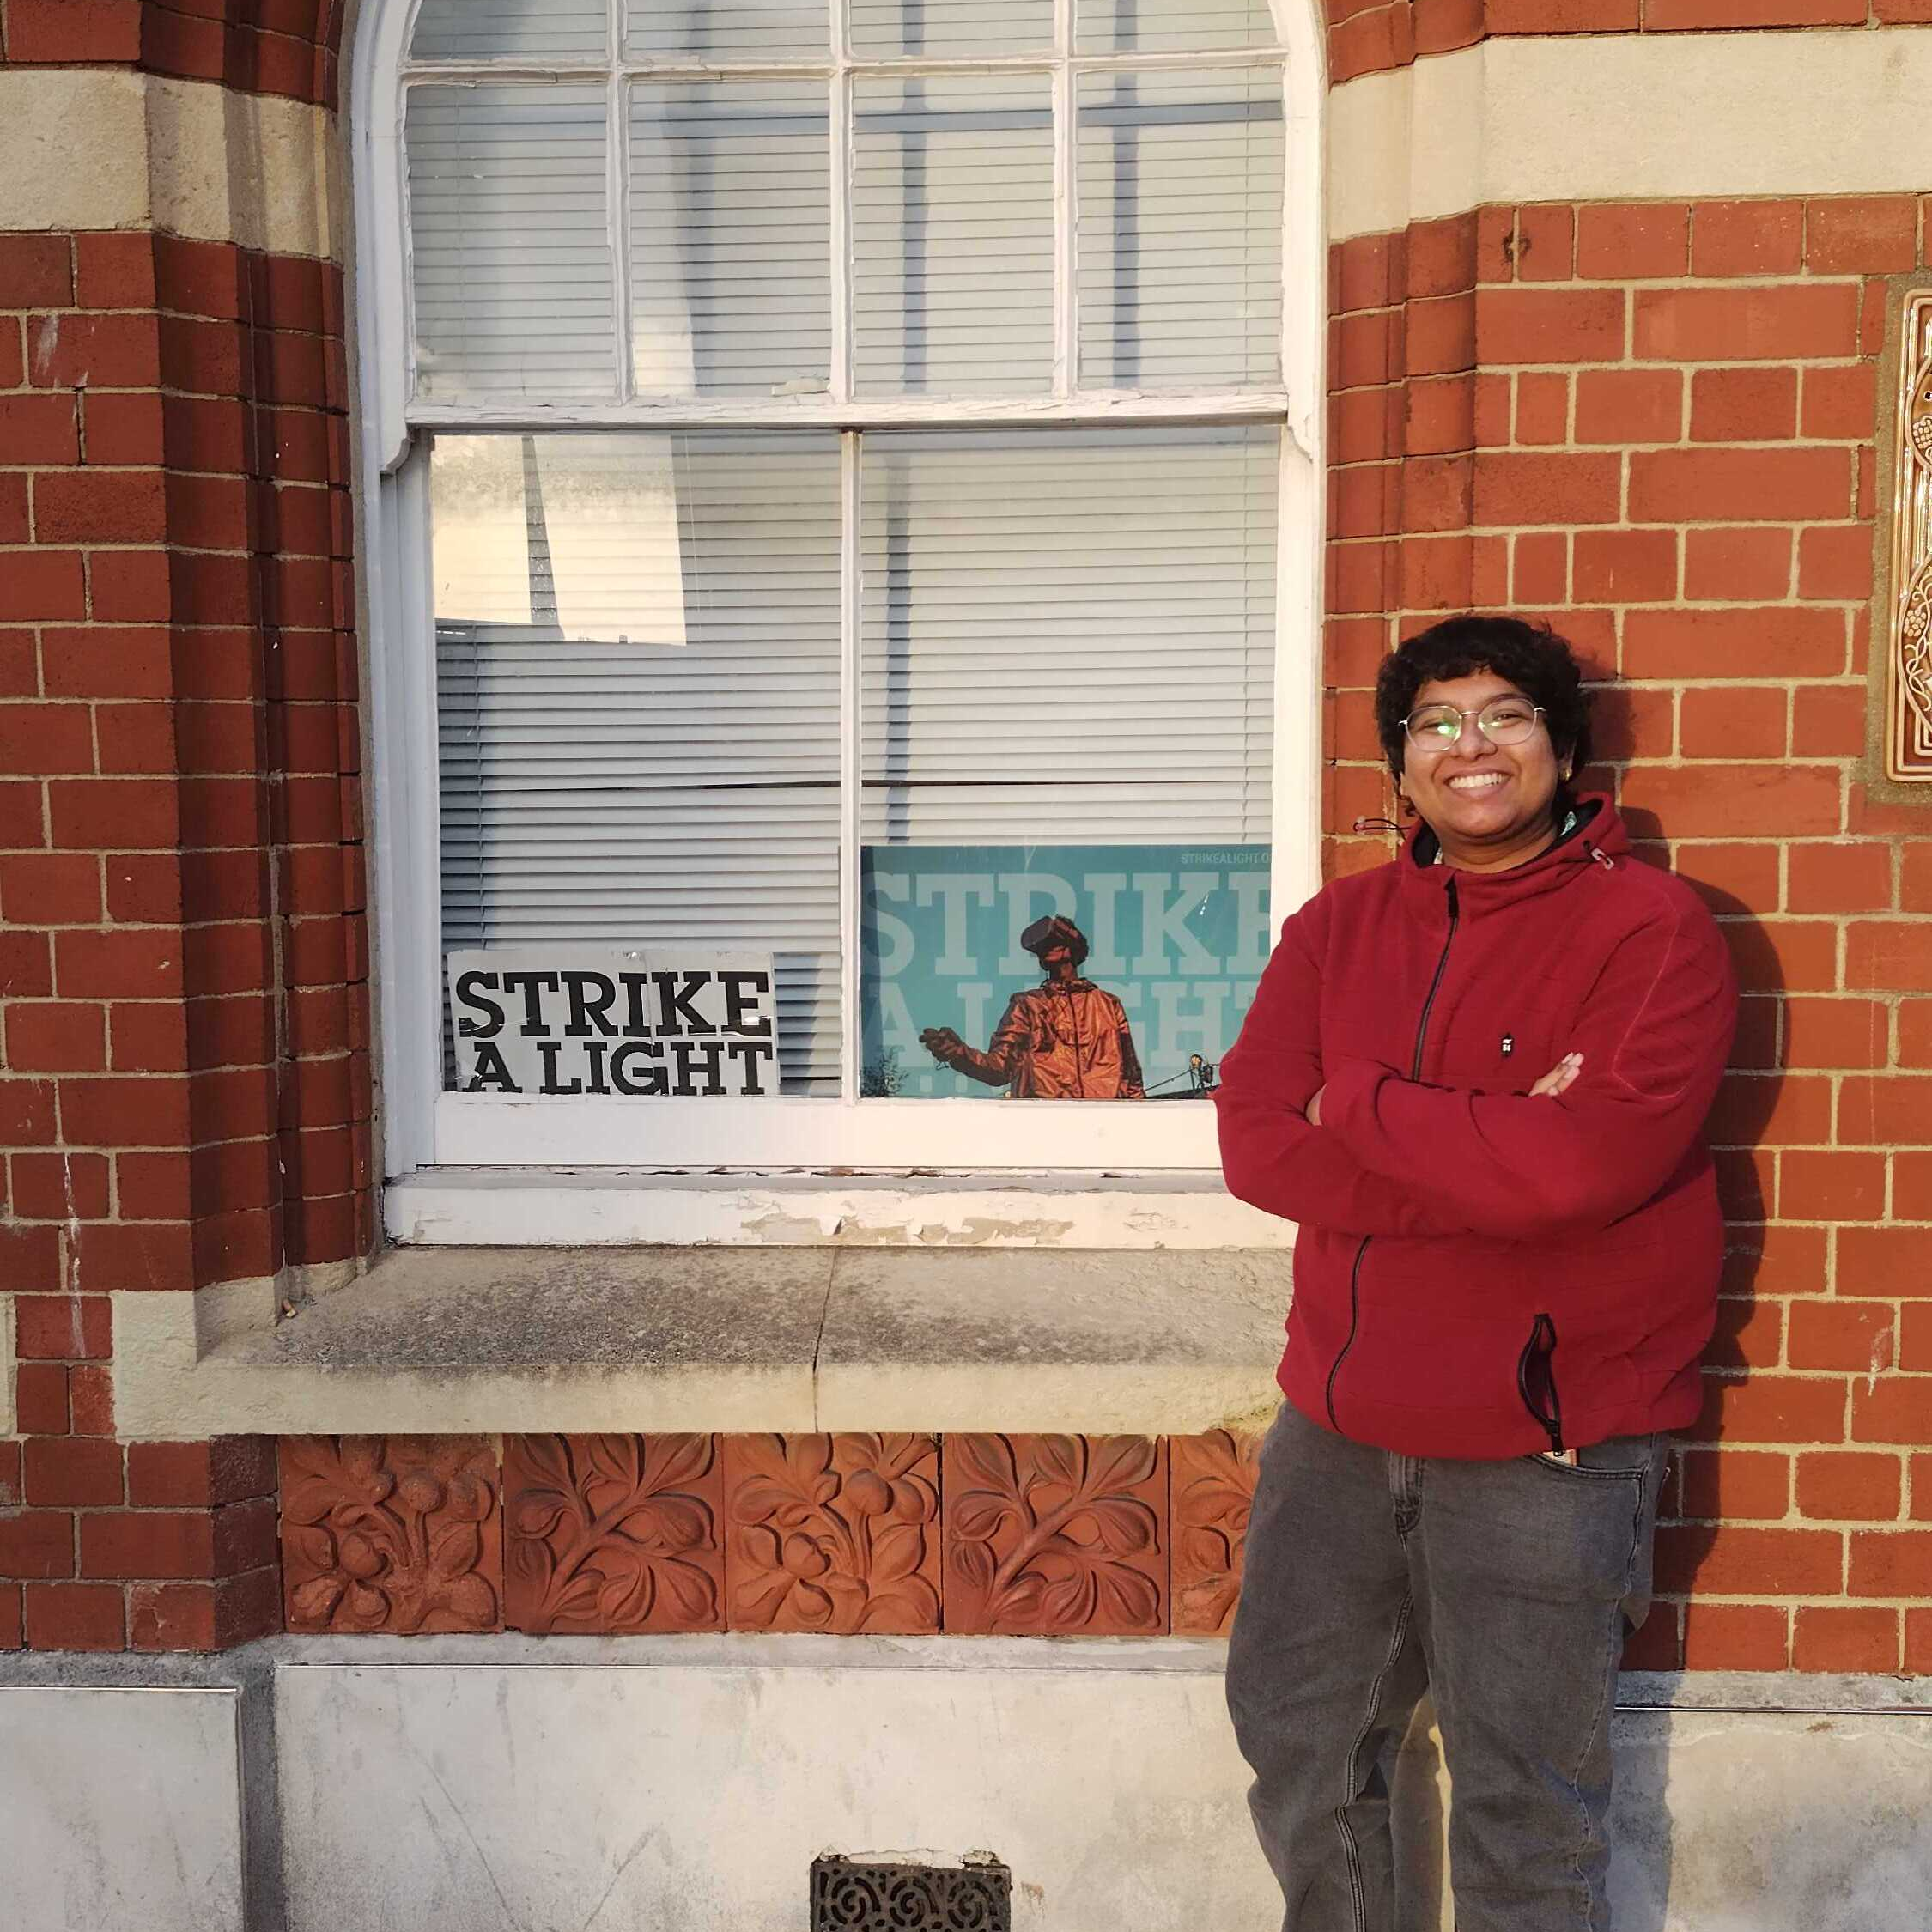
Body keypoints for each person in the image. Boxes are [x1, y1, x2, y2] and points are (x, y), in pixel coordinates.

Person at [1215, 616, 1737, 1932]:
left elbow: (1579, 1172)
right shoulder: (1336, 927)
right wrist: (1492, 1149)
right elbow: (1254, 1143)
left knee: (1523, 1813)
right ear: (1399, 768)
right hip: (1333, 1434)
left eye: (1503, 714)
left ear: (1562, 749)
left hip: (1545, 1446)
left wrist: (1363, 1102)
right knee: (1303, 1756)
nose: (1469, 744)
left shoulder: (1653, 932)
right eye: (1435, 722)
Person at [919, 914, 1145, 1099]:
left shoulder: (1107, 1005)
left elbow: (1132, 1078)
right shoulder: (1028, 1005)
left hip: (1103, 1129)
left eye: (1054, 942)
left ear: (1072, 947)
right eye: (1042, 947)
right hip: (1043, 1128)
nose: (1046, 949)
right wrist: (960, 1054)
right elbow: (1000, 1068)